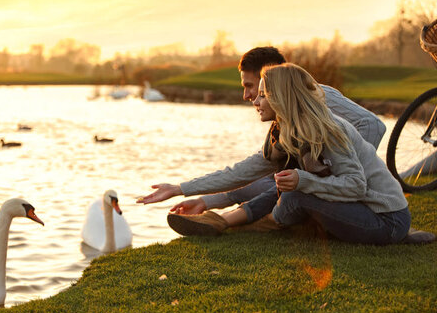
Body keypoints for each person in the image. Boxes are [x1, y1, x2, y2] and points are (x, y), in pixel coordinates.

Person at [140, 63, 416, 245]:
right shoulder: (286, 131)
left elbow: (357, 186)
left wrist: (305, 182)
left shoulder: (328, 130)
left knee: (295, 191)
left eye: (263, 94)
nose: (255, 101)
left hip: (385, 219)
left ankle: (254, 226)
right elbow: (240, 173)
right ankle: (221, 221)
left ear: (282, 96)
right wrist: (179, 188)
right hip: (361, 210)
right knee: (283, 184)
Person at [150, 47, 386, 219]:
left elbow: (373, 126)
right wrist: (184, 190)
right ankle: (217, 214)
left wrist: (342, 172)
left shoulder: (318, 99)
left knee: (279, 184)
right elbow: (249, 170)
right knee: (273, 178)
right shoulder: (284, 122)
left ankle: (227, 220)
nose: (247, 96)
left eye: (250, 86)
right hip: (315, 183)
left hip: (352, 191)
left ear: (271, 78)